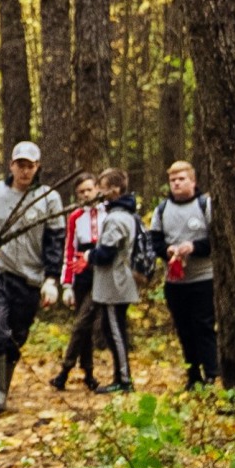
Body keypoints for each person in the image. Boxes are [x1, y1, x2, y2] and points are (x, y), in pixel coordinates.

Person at [0, 140, 66, 413]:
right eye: (20, 165)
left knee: (17, 334)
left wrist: (51, 278)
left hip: (30, 277)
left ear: (37, 168)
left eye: (30, 166)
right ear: (11, 165)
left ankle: (4, 386)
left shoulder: (49, 198)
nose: (24, 171)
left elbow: (55, 241)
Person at [149, 160, 218, 388]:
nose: (177, 184)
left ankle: (212, 374)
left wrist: (194, 247)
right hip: (175, 281)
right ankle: (193, 375)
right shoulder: (162, 210)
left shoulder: (204, 205)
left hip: (203, 277)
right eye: (173, 180)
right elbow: (155, 242)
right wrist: (167, 250)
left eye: (181, 179)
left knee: (204, 326)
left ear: (193, 181)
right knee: (184, 329)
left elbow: (216, 241)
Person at [87, 167, 139, 394]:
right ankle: (120, 376)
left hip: (115, 285)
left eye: (103, 187)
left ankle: (124, 380)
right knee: (111, 330)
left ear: (115, 190)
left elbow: (105, 254)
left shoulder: (117, 219)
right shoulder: (124, 215)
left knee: (116, 332)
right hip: (114, 283)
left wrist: (89, 255)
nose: (99, 192)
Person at [52, 171, 105, 391]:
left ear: (97, 189)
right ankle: (89, 374)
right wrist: (67, 284)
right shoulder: (74, 217)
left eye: (89, 190)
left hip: (101, 272)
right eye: (81, 192)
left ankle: (65, 370)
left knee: (82, 324)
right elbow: (69, 249)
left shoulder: (108, 212)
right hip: (81, 275)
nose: (86, 194)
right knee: (84, 326)